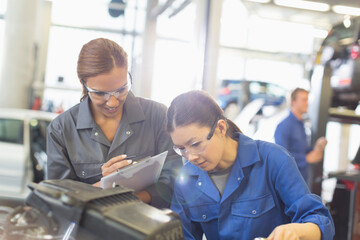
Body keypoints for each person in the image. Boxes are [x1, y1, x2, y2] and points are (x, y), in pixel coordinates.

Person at [165, 90, 334, 240]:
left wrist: (297, 231)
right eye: (181, 149)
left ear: (221, 128)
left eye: (195, 144)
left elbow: (320, 220)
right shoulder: (186, 179)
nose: (191, 157)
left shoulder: (272, 160)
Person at [46, 38, 183, 208]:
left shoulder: (157, 116)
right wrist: (101, 186)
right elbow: (56, 197)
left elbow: (174, 178)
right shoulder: (61, 129)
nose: (112, 102)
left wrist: (132, 199)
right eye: (100, 94)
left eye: (121, 90)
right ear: (83, 83)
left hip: (145, 228)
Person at [274, 88, 327, 183]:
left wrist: (316, 148)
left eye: (307, 100)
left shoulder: (301, 124)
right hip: (288, 181)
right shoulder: (284, 126)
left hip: (301, 178)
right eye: (304, 100)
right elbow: (281, 155)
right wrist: (306, 158)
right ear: (293, 102)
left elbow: (301, 150)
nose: (307, 103)